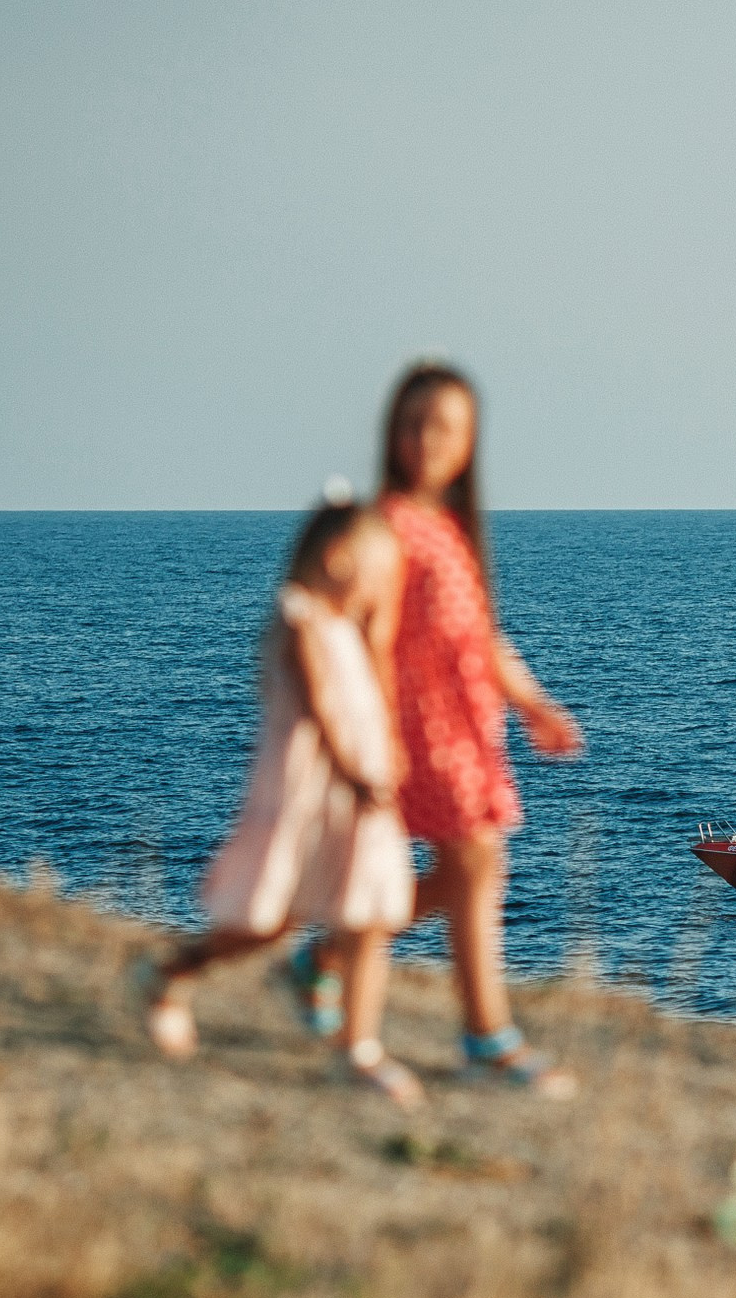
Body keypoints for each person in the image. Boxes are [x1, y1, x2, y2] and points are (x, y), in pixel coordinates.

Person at [140, 491, 424, 1107]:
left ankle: (359, 1049)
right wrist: (354, 771)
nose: (384, 590)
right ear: (339, 560)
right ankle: (170, 972)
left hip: (361, 793)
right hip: (314, 794)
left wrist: (388, 754)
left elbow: (367, 700)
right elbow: (320, 707)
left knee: (369, 916)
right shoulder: (299, 617)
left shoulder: (347, 627)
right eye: (379, 574)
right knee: (272, 921)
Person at [373, 360, 584, 1097]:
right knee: (476, 858)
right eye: (415, 424)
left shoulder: (450, 532)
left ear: (469, 442)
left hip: (467, 729)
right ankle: (487, 1037)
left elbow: (482, 640)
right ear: (392, 434)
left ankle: (329, 958)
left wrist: (533, 704)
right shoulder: (386, 529)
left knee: (470, 867)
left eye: (447, 427)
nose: (429, 440)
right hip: (416, 729)